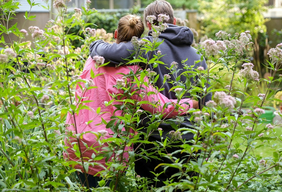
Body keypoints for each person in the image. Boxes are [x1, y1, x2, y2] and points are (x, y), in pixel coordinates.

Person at [63, 14, 199, 189]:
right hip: (108, 149)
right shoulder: (132, 72)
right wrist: (193, 103)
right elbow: (160, 107)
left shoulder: (92, 60)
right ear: (138, 41)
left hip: (77, 140)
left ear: (115, 34)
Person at [89, 0, 212, 187]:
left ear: (147, 25)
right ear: (176, 20)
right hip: (191, 140)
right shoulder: (198, 55)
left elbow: (110, 54)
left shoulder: (147, 46)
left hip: (154, 144)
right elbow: (206, 101)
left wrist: (95, 44)